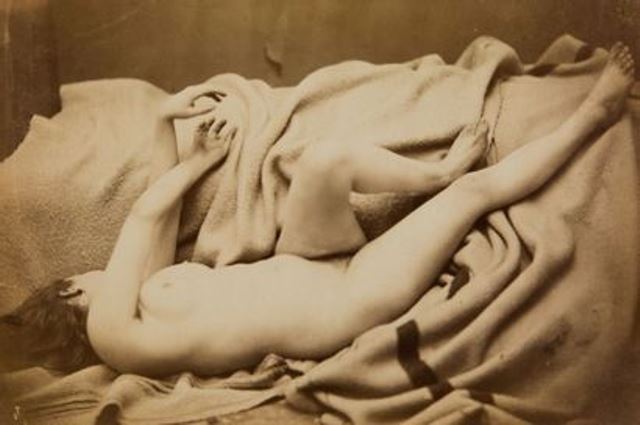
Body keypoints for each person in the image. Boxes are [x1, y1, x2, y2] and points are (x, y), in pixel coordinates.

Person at [3, 43, 634, 378]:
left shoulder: (140, 310)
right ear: (70, 291)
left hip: (303, 257)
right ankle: (592, 117)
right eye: (86, 274)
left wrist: (166, 120)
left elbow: (157, 217)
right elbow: (144, 218)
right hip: (349, 297)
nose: (104, 267)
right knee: (473, 197)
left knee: (324, 160)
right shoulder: (114, 336)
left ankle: (439, 171)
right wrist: (199, 164)